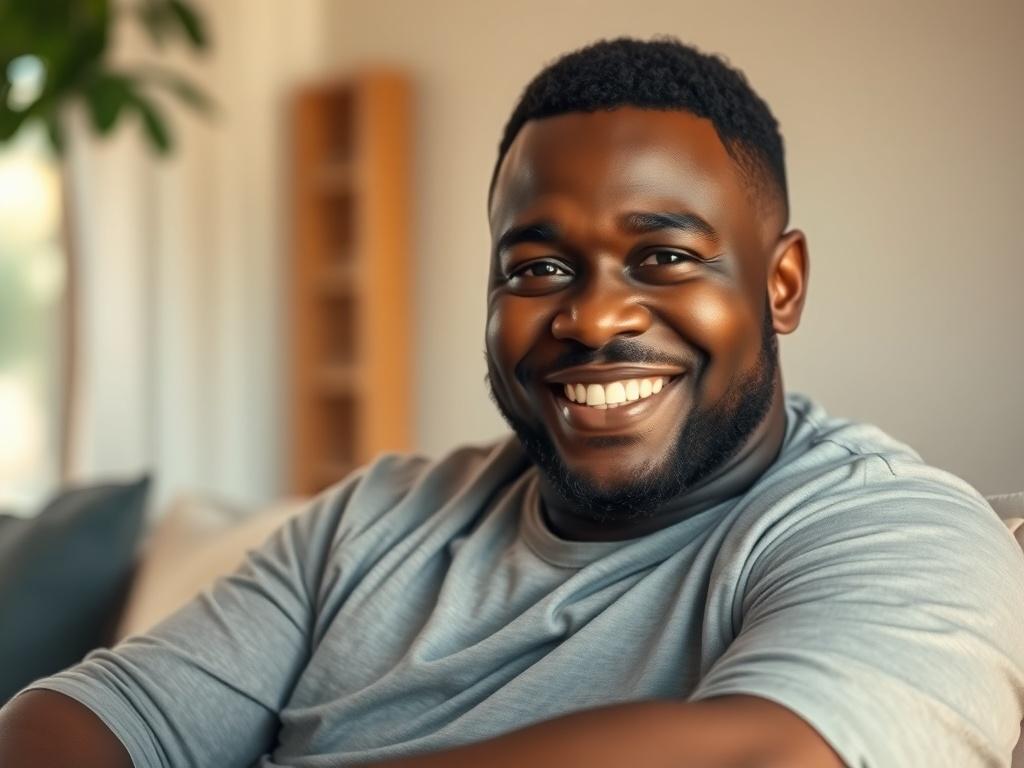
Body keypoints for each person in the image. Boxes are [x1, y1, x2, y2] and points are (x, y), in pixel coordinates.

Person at [2, 37, 1022, 768]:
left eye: (662, 255)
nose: (592, 317)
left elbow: (769, 754)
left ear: (781, 284)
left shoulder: (897, 530)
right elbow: (99, 715)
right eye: (536, 268)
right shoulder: (373, 519)